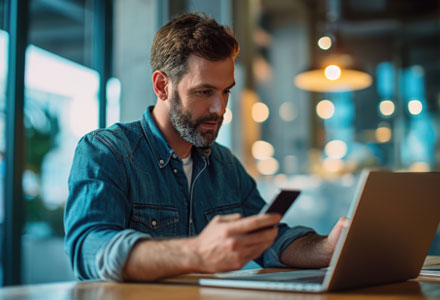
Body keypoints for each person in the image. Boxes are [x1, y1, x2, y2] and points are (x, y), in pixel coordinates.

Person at [64, 12, 346, 282]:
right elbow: (89, 248)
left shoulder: (224, 164)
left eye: (226, 91)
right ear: (162, 86)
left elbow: (267, 239)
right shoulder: (106, 152)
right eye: (204, 91)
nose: (219, 108)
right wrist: (197, 252)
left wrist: (329, 248)